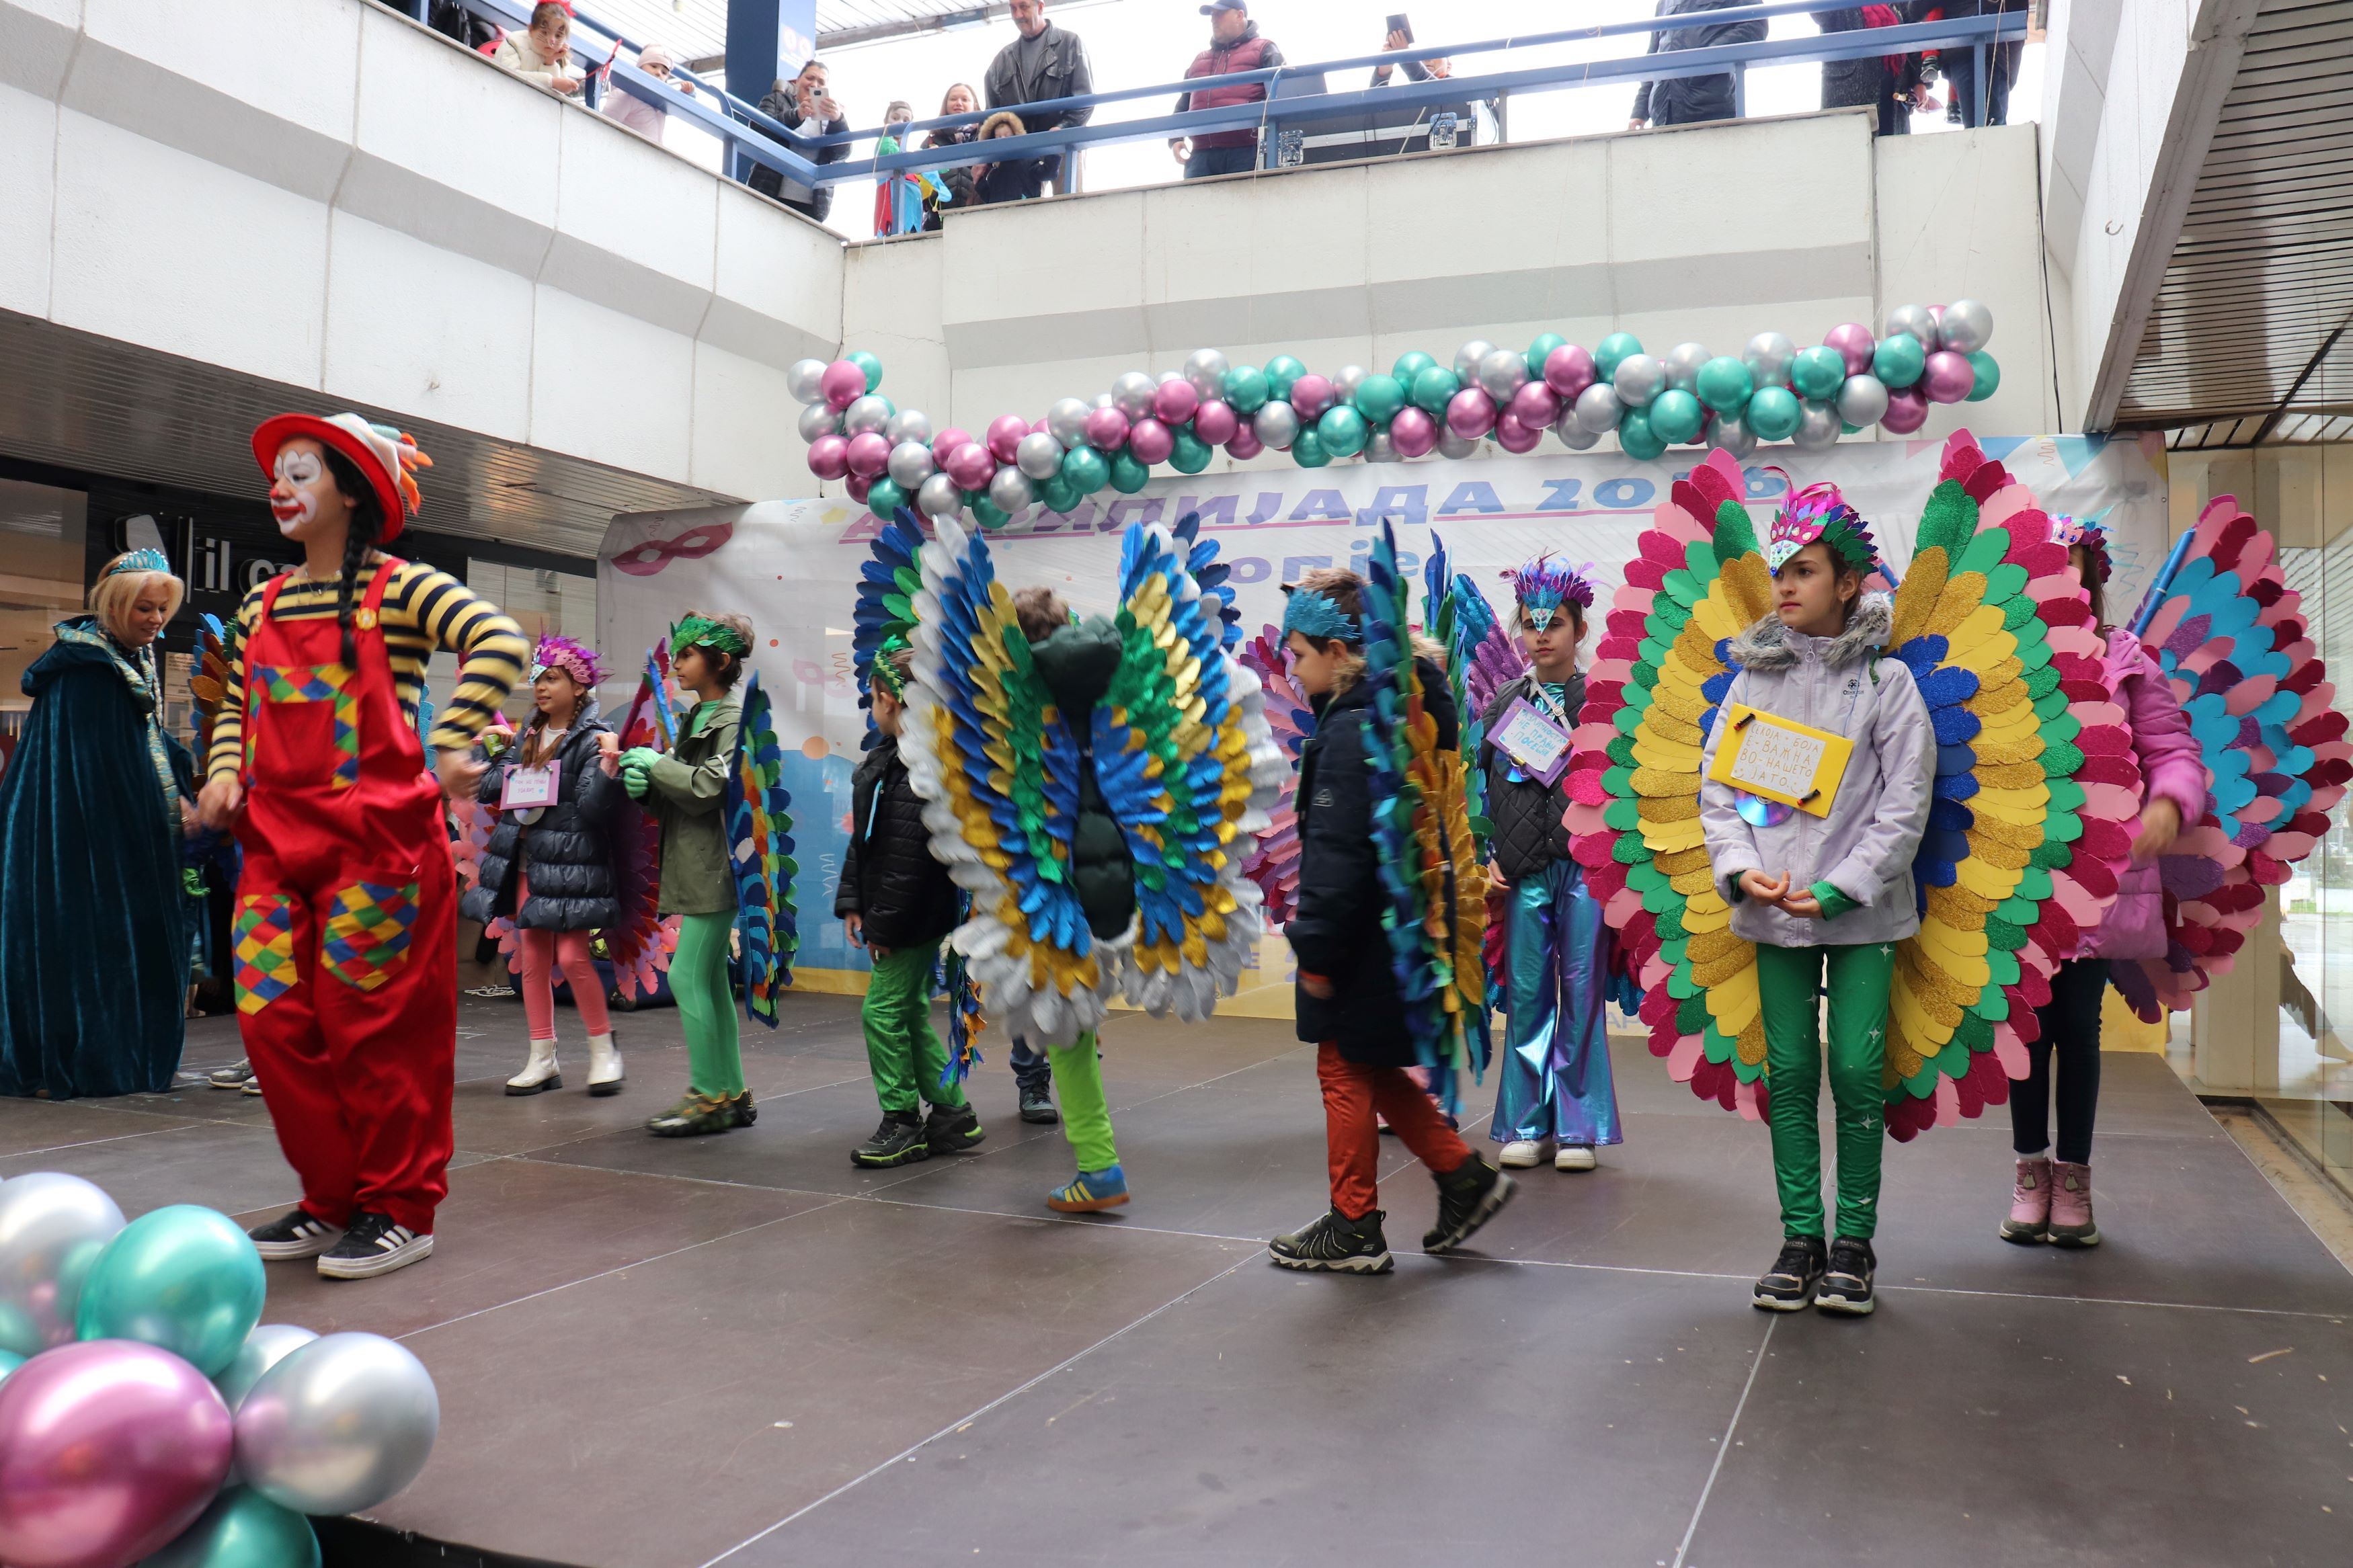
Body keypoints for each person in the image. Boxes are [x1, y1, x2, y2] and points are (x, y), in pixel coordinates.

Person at [200, 413, 527, 1281]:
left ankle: (398, 1206)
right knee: (271, 1019)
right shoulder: (262, 603)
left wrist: (451, 739)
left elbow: (499, 640)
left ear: (350, 490)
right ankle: (332, 1195)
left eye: (300, 471)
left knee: (372, 1029)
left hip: (376, 850)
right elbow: (234, 705)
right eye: (277, 473)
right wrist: (224, 772)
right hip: (274, 850)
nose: (280, 487)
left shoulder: (404, 587)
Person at [1696, 484, 1933, 1315]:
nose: (1785, 585)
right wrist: (1738, 869)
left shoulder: (1886, 683)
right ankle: (1801, 1238)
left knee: (1858, 1072)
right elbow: (1717, 796)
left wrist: (1842, 886)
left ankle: (1854, 1243)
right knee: (1791, 1073)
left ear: (1848, 582)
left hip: (1863, 912)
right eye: (1780, 572)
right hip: (1771, 912)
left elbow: (1905, 803)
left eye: (1803, 570)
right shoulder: (1748, 683)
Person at [1268, 569, 1515, 1274]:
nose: (1292, 668)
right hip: (1399, 931)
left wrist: (1316, 950)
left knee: (1342, 1068)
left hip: (1359, 939)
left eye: (1299, 653)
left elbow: (1338, 856)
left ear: (1336, 651)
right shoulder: (1388, 717)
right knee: (1372, 1063)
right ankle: (1461, 1177)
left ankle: (1353, 1224)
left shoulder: (1350, 734)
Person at [2001, 517, 2202, 1249]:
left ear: (2091, 573)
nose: (2060, 574)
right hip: (2021, 874)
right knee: (2025, 1026)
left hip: (2100, 879)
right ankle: (2030, 1172)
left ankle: (2073, 1177)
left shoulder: (2126, 658)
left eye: (2072, 562)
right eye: (2046, 564)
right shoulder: (2008, 657)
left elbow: (2171, 748)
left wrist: (2168, 802)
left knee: (2077, 1029)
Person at [0, 550, 197, 1100]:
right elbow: (96, 771)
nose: (156, 619)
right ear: (114, 607)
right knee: (97, 948)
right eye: (144, 608)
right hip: (91, 846)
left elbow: (140, 747)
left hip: (116, 837)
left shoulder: (122, 660)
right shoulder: (89, 672)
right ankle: (92, 1060)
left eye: (162, 608)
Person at [1479, 557, 1621, 1173]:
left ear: (1579, 630)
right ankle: (1526, 1124)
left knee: (1582, 993)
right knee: (1528, 994)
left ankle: (1578, 1128)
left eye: (1555, 623)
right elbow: (1481, 788)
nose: (1542, 635)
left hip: (1586, 871)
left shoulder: (1604, 704)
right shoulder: (1504, 704)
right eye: (1531, 623)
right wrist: (1487, 852)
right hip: (1524, 874)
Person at [839, 640, 984, 1167]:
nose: (871, 706)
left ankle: (902, 1122)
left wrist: (884, 926)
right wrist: (854, 899)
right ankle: (952, 1113)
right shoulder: (891, 759)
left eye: (873, 696)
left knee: (881, 1012)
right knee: (910, 1010)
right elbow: (868, 842)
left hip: (911, 917)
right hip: (901, 913)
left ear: (890, 700)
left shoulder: (921, 772)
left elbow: (910, 867)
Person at [463, 634, 627, 1100]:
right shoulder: (529, 735)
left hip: (573, 866)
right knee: (532, 960)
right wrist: (498, 751)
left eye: (552, 678)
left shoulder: (593, 739)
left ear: (579, 686)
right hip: (528, 864)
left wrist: (609, 767)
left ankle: (603, 1050)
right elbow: (492, 790)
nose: (540, 687)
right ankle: (542, 1056)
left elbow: (593, 809)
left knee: (573, 958)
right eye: (537, 678)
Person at [619, 612, 754, 1137]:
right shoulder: (701, 715)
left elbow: (712, 787)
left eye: (688, 653)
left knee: (685, 976)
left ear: (720, 660)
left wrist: (656, 766)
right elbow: (683, 788)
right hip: (698, 859)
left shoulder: (733, 718)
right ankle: (731, 1092)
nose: (676, 663)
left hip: (716, 864)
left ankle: (708, 1095)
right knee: (713, 979)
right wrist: (647, 787)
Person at [983, 0, 1095, 200]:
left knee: (1069, 207)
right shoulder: (1002, 59)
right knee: (1023, 214)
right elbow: (991, 114)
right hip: (1020, 153)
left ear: (1041, 7)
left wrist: (1063, 128)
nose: (1018, 15)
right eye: (1013, 8)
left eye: (1024, 6)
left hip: (1064, 143)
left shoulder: (1070, 43)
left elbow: (1085, 99)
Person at [1172, 1, 1281, 181]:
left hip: (1246, 151)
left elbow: (1282, 94)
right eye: (1212, 15)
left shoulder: (1264, 49)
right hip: (1200, 156)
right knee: (1196, 200)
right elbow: (1183, 104)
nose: (1213, 20)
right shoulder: (1199, 60)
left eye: (1220, 14)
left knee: (1245, 200)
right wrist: (1175, 139)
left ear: (1239, 15)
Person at [1628, 0, 1766, 130]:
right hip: (1664, 112)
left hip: (1710, 108)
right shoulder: (1664, 2)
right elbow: (1653, 56)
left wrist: (1707, 56)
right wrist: (1640, 110)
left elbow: (1756, 24)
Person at [750, 58, 848, 222]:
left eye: (821, 82)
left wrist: (838, 121)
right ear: (798, 81)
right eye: (810, 78)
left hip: (811, 206)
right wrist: (797, 115)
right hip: (770, 194)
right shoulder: (777, 100)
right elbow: (758, 128)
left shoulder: (829, 118)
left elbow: (842, 154)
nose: (815, 85)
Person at [1818, 7, 1921, 136]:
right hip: (1850, 99)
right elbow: (1820, 13)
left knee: (1892, 145)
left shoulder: (1894, 6)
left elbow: (1913, 38)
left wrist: (1919, 82)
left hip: (1894, 105)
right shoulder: (1842, 6)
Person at [1936, 1, 2026, 126]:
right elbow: (1916, 8)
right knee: (1990, 124)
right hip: (1973, 51)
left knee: (1988, 125)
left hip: (1992, 53)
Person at [602, 42, 693, 146]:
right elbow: (606, 121)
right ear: (640, 67)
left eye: (664, 73)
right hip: (628, 149)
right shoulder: (628, 94)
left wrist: (687, 93)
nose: (659, 73)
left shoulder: (660, 103)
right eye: (654, 66)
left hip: (649, 152)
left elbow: (676, 108)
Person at [920, 83, 982, 230]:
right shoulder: (932, 140)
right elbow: (917, 179)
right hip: (939, 221)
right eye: (953, 99)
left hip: (980, 217)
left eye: (965, 99)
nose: (959, 103)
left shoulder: (985, 137)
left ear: (975, 105)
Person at [493, 2, 584, 95]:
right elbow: (509, 76)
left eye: (558, 36)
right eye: (545, 32)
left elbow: (550, 99)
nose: (552, 40)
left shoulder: (560, 58)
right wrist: (552, 82)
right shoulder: (514, 42)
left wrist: (550, 62)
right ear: (531, 29)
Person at [972, 110, 1055, 206]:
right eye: (998, 137)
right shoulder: (994, 174)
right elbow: (989, 197)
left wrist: (1052, 149)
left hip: (1026, 212)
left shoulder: (1029, 163)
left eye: (1007, 135)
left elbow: (1048, 173)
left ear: (1016, 135)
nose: (1003, 139)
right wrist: (978, 181)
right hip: (1002, 214)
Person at [1370, 25, 1451, 85]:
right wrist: (1383, 71)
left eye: (1434, 54)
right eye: (1421, 56)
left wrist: (1405, 55)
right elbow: (1374, 102)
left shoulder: (1455, 86)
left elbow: (1431, 86)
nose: (1426, 59)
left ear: (1449, 66)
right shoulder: (1408, 94)